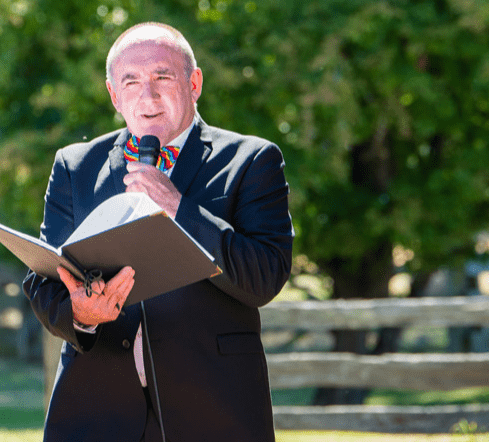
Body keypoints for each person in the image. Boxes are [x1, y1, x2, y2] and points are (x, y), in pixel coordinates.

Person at [23, 22, 294, 441]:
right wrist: (80, 314)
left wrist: (179, 207)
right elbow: (44, 282)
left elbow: (264, 278)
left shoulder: (253, 160)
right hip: (95, 415)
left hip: (215, 411)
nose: (147, 96)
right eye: (130, 81)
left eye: (162, 77)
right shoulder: (75, 166)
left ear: (194, 82)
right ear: (114, 94)